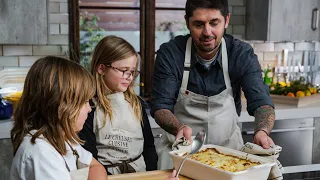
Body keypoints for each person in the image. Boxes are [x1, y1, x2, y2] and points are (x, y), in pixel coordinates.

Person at [151, 0, 276, 170]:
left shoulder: (240, 54)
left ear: (227, 20)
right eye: (199, 24)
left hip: (229, 156)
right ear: (187, 22)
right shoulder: (171, 53)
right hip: (181, 154)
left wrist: (262, 131)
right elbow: (161, 107)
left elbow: (261, 102)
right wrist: (179, 127)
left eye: (214, 23)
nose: (207, 32)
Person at [10, 56, 108, 180]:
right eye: (85, 101)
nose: (89, 109)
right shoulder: (41, 154)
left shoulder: (63, 138)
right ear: (61, 105)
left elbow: (95, 166)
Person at [79, 35, 158, 175]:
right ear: (101, 69)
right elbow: (88, 154)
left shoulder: (136, 103)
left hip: (140, 173)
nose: (129, 77)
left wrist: (151, 174)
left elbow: (149, 147)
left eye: (132, 72)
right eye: (123, 70)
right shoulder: (88, 107)